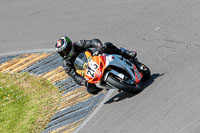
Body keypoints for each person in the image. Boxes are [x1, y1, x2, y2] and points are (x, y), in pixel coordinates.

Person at [55, 36, 137, 95]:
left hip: (95, 57)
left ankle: (126, 53)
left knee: (106, 45)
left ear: (70, 45)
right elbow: (74, 76)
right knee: (90, 90)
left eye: (66, 50)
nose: (65, 54)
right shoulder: (66, 64)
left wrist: (99, 46)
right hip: (88, 72)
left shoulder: (78, 44)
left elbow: (92, 42)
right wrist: (84, 82)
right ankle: (111, 84)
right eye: (62, 53)